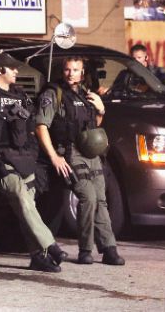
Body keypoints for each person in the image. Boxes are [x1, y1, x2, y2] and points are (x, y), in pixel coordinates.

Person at [0, 53, 68, 273]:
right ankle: (49, 245)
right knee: (20, 195)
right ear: (0, 71)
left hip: (23, 158)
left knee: (27, 206)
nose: (17, 72)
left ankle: (38, 256)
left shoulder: (20, 95)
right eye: (12, 69)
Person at [35, 57, 125, 266]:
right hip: (70, 152)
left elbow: (93, 124)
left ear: (82, 73)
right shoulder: (53, 94)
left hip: (92, 153)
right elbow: (41, 126)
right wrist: (54, 157)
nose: (71, 73)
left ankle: (109, 248)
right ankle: (86, 249)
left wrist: (101, 109)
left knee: (101, 199)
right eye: (67, 69)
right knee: (88, 197)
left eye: (76, 70)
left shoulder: (86, 94)